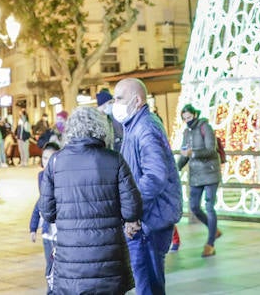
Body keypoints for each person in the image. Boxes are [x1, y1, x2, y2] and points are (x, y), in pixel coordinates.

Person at [38, 106, 142, 295]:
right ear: (101, 128)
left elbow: (47, 211)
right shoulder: (114, 159)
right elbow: (131, 209)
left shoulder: (55, 162)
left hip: (70, 259)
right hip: (108, 256)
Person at [112, 78, 181, 295]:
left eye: (119, 98)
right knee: (148, 284)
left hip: (148, 222)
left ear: (137, 100)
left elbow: (155, 175)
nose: (116, 103)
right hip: (146, 219)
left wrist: (132, 208)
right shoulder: (135, 126)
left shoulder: (145, 128)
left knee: (148, 286)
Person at [175, 103, 222, 257]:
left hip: (210, 173)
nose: (187, 120)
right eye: (184, 118)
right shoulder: (186, 132)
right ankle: (213, 229)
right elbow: (184, 155)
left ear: (195, 115)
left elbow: (210, 149)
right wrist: (176, 168)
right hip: (195, 176)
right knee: (194, 207)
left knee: (209, 207)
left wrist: (192, 153)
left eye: (189, 117)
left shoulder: (205, 127)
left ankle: (210, 244)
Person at [29, 138, 62, 292]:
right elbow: (40, 201)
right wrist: (33, 226)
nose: (47, 161)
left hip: (62, 230)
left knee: (61, 264)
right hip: (48, 231)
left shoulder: (64, 175)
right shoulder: (41, 176)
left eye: (52, 158)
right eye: (44, 158)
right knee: (50, 264)